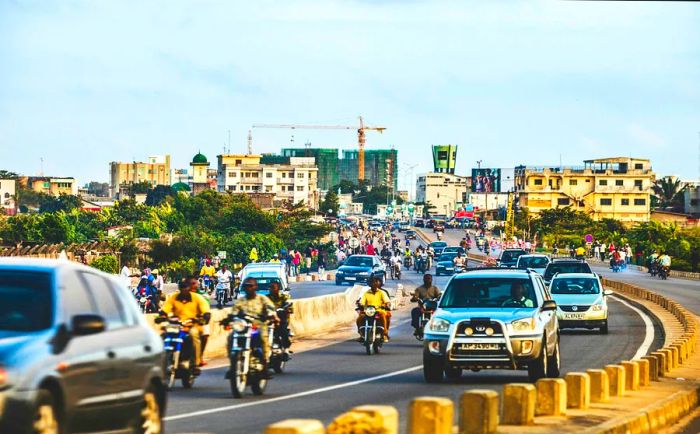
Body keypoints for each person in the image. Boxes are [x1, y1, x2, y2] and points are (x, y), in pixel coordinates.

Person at [229, 278, 279, 378]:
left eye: (250, 286)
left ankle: (265, 365)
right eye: (246, 286)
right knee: (230, 337)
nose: (248, 288)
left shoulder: (262, 298)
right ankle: (233, 365)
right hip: (244, 326)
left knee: (263, 339)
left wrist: (271, 315)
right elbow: (234, 311)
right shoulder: (241, 300)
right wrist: (229, 318)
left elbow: (271, 308)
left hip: (259, 326)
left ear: (255, 287)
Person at [161, 277, 211, 371]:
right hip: (177, 326)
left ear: (189, 289)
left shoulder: (198, 297)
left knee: (193, 334)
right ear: (179, 288)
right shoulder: (174, 297)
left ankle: (195, 364)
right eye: (182, 288)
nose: (184, 290)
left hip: (192, 325)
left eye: (186, 288)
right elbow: (166, 308)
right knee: (163, 335)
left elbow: (205, 309)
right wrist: (162, 315)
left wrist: (205, 316)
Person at [356, 276, 391, 342]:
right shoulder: (366, 293)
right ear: (370, 284)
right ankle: (361, 335)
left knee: (384, 316)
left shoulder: (382, 293)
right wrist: (360, 304)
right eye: (373, 283)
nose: (374, 284)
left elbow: (387, 301)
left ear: (379, 284)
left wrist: (387, 305)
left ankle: (385, 333)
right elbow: (362, 302)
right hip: (368, 311)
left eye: (376, 282)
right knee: (359, 318)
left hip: (379, 311)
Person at [268, 281, 293, 349]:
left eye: (273, 288)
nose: (270, 289)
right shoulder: (267, 298)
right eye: (269, 287)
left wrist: (286, 309)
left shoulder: (284, 297)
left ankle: (285, 348)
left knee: (282, 330)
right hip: (270, 319)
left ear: (278, 288)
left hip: (281, 319)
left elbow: (290, 307)